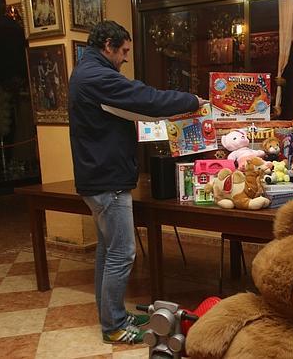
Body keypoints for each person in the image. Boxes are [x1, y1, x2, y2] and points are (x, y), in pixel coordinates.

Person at [69, 20, 208, 345]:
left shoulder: (87, 71)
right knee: (122, 253)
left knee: (108, 251)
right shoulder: (97, 76)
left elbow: (135, 105)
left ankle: (112, 316)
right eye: (124, 51)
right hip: (107, 180)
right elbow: (147, 99)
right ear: (108, 45)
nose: (126, 58)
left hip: (99, 177)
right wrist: (192, 101)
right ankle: (114, 326)